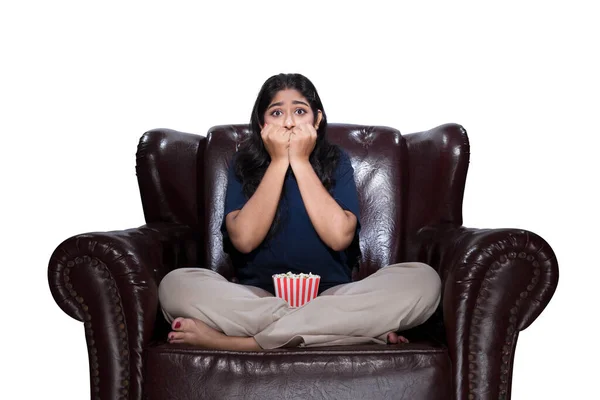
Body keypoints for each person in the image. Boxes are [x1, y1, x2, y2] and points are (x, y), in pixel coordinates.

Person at [158, 73, 441, 351]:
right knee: (175, 285)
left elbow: (339, 237)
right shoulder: (243, 164)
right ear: (261, 123)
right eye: (277, 112)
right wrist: (280, 161)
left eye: (300, 111)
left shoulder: (336, 161)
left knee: (423, 280)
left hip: (332, 297)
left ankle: (246, 343)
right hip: (257, 299)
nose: (290, 122)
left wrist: (302, 162)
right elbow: (244, 240)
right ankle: (347, 331)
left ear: (316, 119)